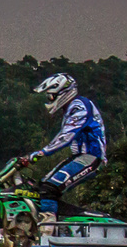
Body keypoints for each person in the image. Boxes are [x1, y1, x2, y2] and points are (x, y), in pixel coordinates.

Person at [15, 73, 107, 225]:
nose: (49, 100)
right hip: (79, 157)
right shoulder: (71, 108)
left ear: (62, 93)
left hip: (91, 157)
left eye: (50, 96)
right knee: (42, 187)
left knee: (49, 189)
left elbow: (66, 136)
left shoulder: (79, 106)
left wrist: (39, 154)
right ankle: (52, 219)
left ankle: (48, 230)